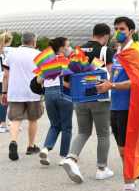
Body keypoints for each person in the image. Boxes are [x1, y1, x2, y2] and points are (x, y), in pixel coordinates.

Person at [94, 17, 139, 191]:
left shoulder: (134, 52)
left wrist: (112, 85)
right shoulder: (119, 52)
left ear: (131, 31)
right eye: (116, 28)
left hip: (129, 109)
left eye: (122, 29)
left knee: (129, 151)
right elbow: (115, 77)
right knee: (122, 151)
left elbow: (137, 82)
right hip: (116, 107)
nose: (118, 31)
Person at [60, 23, 115, 182]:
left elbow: (67, 80)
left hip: (80, 98)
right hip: (99, 97)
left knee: (83, 132)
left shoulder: (78, 51)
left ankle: (71, 158)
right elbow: (111, 73)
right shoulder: (105, 51)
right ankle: (101, 168)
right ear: (105, 35)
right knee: (103, 133)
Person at [2, 31, 42, 160]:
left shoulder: (12, 54)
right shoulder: (38, 54)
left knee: (15, 119)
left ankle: (13, 141)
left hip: (15, 91)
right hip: (33, 92)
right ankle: (31, 146)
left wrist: (4, 92)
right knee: (33, 119)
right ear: (34, 41)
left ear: (22, 41)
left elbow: (6, 75)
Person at [39, 37, 73, 165]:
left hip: (48, 94)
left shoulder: (47, 61)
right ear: (61, 48)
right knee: (67, 127)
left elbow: (39, 80)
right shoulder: (65, 61)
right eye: (68, 46)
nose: (69, 48)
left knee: (54, 125)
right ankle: (64, 156)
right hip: (63, 93)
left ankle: (46, 149)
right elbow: (69, 82)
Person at [0, 32, 13, 133]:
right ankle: (3, 123)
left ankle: (5, 122)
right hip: (4, 79)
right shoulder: (8, 50)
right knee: (4, 102)